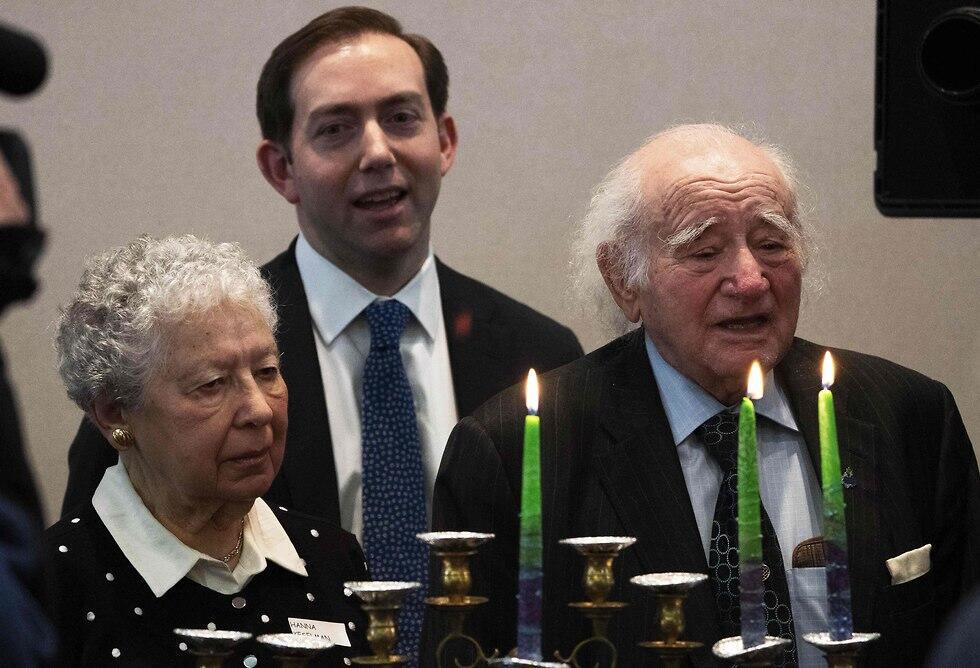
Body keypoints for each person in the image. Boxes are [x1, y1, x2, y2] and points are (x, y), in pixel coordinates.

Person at [61, 9, 582, 662]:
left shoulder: (539, 358)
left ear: (444, 140)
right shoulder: (171, 365)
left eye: (401, 118)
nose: (377, 153)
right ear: (280, 168)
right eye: (336, 129)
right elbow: (92, 588)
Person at [432, 124, 979, 666]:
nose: (750, 279)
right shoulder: (512, 449)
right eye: (703, 252)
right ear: (624, 279)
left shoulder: (909, 416)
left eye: (771, 244)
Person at [48, 235, 367, 666]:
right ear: (115, 415)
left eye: (267, 371)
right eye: (212, 384)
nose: (258, 410)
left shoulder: (331, 559)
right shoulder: (47, 591)